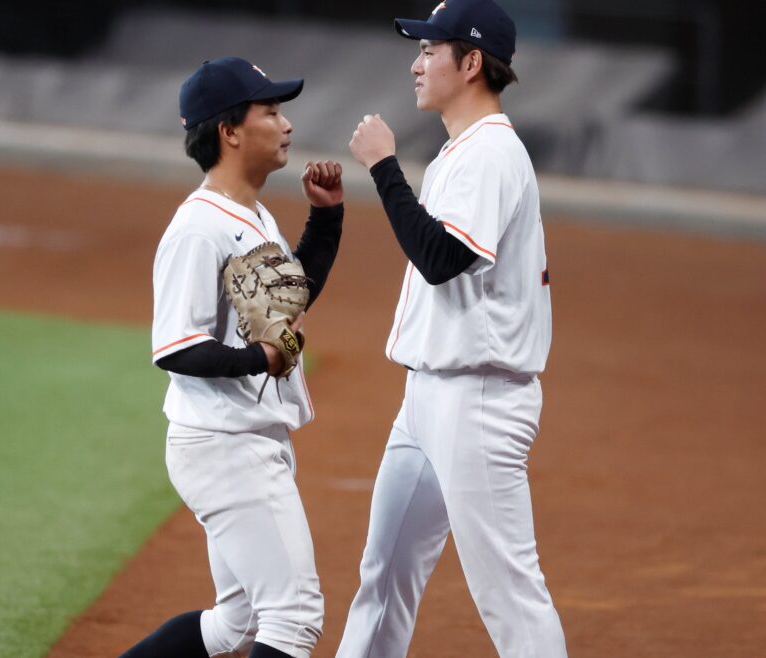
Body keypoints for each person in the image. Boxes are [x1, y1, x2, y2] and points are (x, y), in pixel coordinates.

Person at [337, 1, 567, 656]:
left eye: (428, 51)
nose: (416, 64)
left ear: (470, 64)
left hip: (480, 402)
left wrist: (384, 167)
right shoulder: (462, 151)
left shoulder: (490, 154)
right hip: (427, 401)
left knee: (510, 595)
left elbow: (442, 258)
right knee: (384, 576)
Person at [120, 56, 344, 658]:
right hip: (224, 445)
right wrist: (258, 360)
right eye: (270, 111)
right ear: (229, 131)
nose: (286, 123)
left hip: (246, 437)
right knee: (293, 619)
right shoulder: (198, 229)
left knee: (237, 626)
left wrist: (325, 220)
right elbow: (176, 346)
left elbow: (285, 306)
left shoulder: (249, 213)